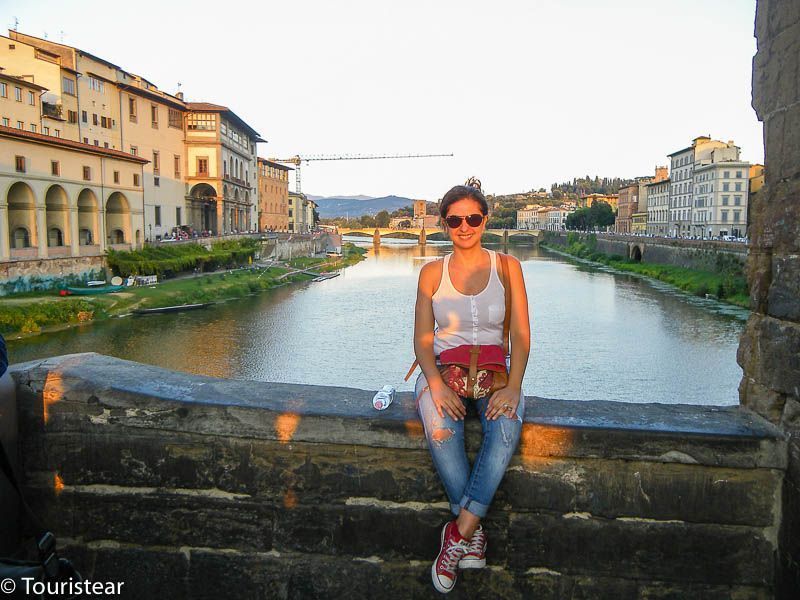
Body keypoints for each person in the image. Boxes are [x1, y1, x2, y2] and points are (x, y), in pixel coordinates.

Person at [413, 180, 531, 593]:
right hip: (442, 374)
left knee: (504, 431)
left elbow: (521, 335)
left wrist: (514, 388)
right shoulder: (431, 272)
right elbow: (422, 340)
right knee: (443, 431)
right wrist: (435, 386)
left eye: (473, 218)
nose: (465, 226)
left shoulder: (508, 267)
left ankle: (458, 532)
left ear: (485, 220)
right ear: (444, 224)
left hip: (497, 377)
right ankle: (473, 533)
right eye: (455, 220)